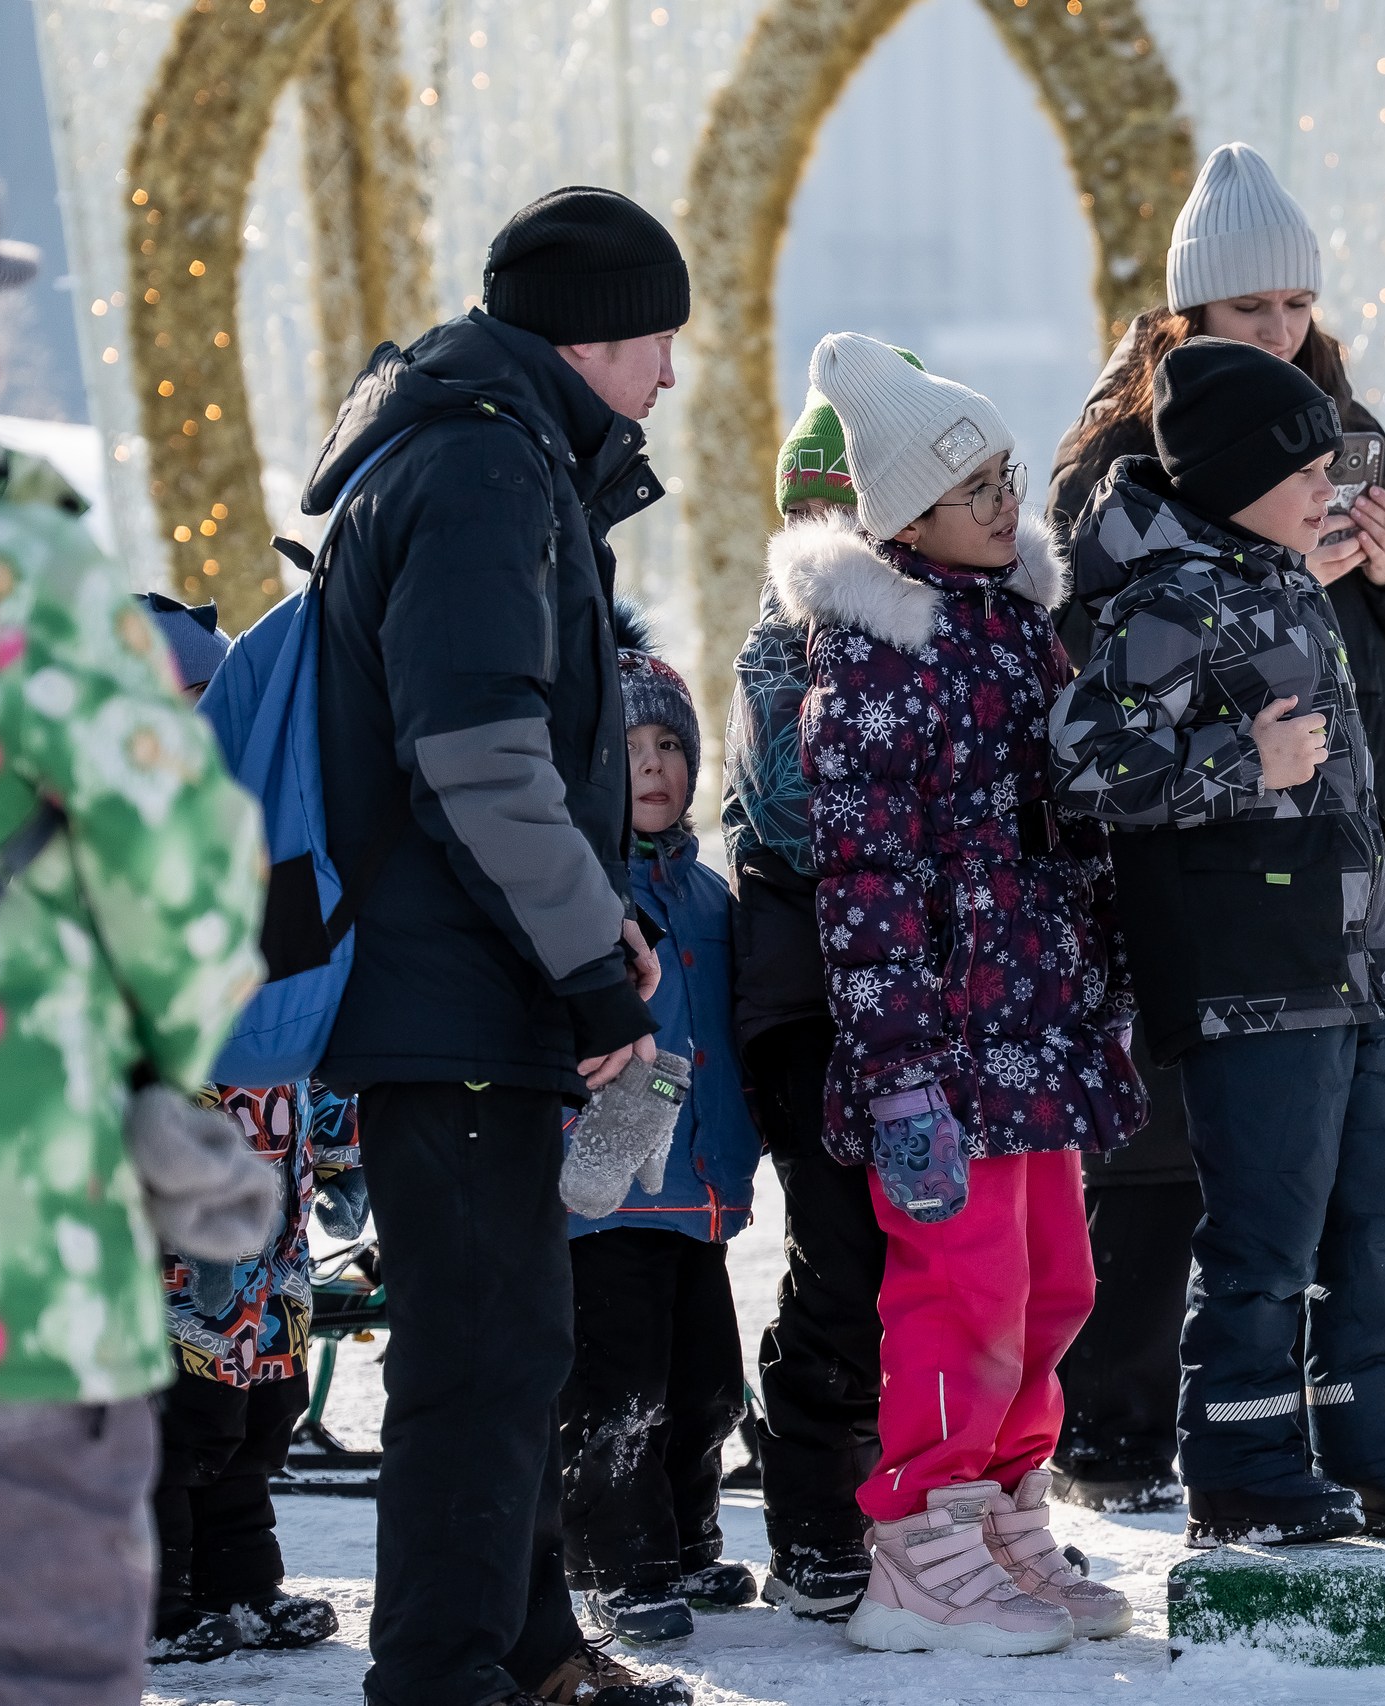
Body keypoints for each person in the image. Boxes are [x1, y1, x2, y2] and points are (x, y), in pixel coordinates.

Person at [310, 185, 692, 1706]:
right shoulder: (479, 468)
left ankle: (523, 1648)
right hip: (447, 993)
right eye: (658, 337)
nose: (669, 372)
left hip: (477, 982)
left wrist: (602, 924)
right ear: (590, 336)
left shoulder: (500, 451)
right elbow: (472, 753)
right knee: (478, 1356)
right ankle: (445, 1671)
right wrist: (586, 964)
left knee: (515, 1342)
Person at [1043, 141, 1385, 1511]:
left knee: (1367, 1189)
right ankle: (1147, 1430)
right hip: (1224, 887)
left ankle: (1362, 1444)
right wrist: (1261, 600)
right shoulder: (1140, 465)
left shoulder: (1338, 429)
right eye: (1249, 310)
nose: (1282, 332)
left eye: (1296, 305)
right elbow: (1098, 699)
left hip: (1353, 849)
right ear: (1186, 321)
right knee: (1192, 1169)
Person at [0, 134, 270, 1706]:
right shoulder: (10, 566)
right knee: (24, 1657)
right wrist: (147, 1067)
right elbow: (194, 879)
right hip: (6, 1259)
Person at [786, 333, 1143, 1655]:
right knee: (963, 1288)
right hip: (941, 1048)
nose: (1006, 500)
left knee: (1054, 1287)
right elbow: (865, 879)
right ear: (906, 519)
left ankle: (999, 1506)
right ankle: (917, 1535)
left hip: (1035, 1030)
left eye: (1005, 472)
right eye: (973, 485)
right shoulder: (877, 656)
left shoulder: (1020, 632)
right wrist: (899, 1070)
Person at [723, 374, 915, 1621]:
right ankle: (809, 1507)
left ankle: (912, 1501)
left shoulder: (937, 632)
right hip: (807, 1003)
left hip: (915, 1002)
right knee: (840, 1257)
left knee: (929, 1260)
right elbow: (791, 815)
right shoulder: (773, 651)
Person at [555, 609, 762, 1646]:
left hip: (698, 1189)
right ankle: (612, 1555)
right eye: (628, 748)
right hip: (607, 1195)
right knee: (619, 1382)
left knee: (704, 1383)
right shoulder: (580, 895)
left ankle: (686, 1536)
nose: (653, 767)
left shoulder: (714, 897)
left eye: (670, 744)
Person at [147, 1079, 359, 1665]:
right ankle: (149, 1602)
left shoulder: (295, 986)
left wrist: (344, 1162)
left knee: (264, 1413)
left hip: (276, 1250)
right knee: (178, 1421)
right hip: (178, 1250)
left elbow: (321, 1063)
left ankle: (240, 1585)